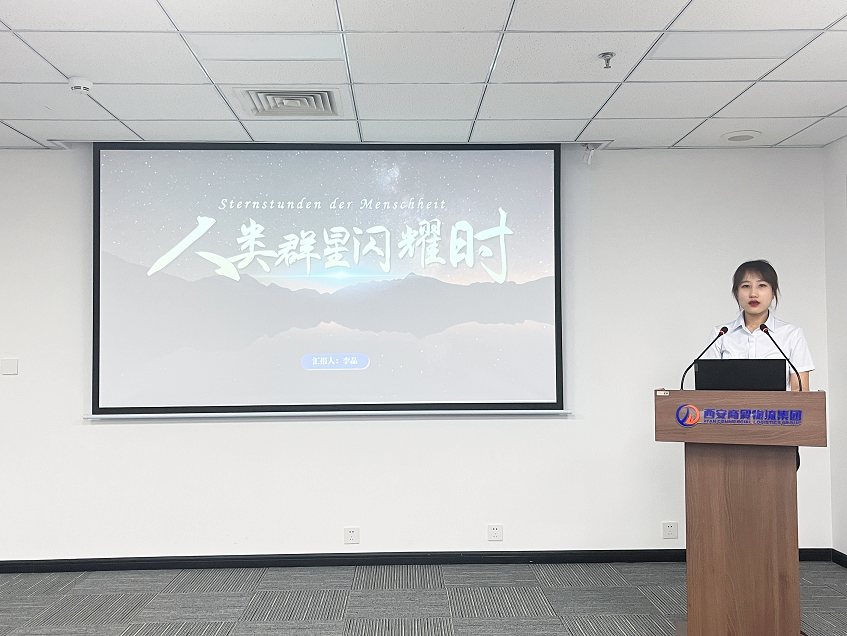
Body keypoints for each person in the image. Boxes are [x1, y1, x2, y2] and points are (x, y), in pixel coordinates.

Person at [706, 259, 814, 468]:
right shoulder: (721, 334)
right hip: (728, 435)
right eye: (746, 286)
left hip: (778, 435)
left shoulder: (791, 334)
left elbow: (800, 391)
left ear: (773, 292)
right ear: (736, 292)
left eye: (762, 285)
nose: (753, 293)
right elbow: (708, 390)